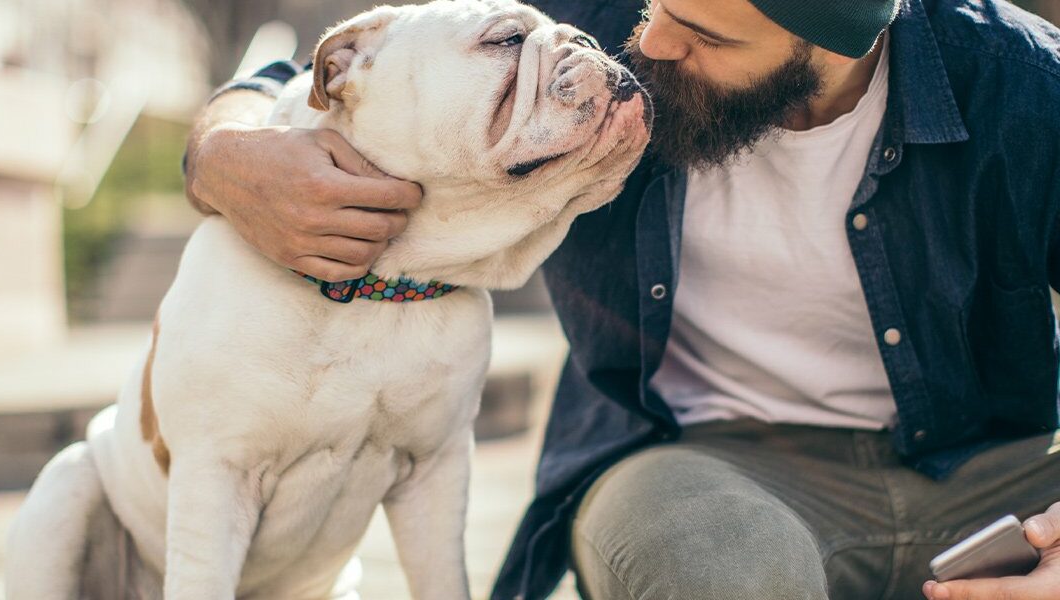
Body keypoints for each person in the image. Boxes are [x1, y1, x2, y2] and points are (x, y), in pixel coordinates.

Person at [182, 0, 1060, 598]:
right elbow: (312, 66)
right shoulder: (580, 25)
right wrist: (222, 153)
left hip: (995, 470)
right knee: (711, 564)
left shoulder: (1020, 82)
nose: (655, 48)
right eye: (658, 8)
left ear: (830, 43)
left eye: (706, 33)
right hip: (707, 464)